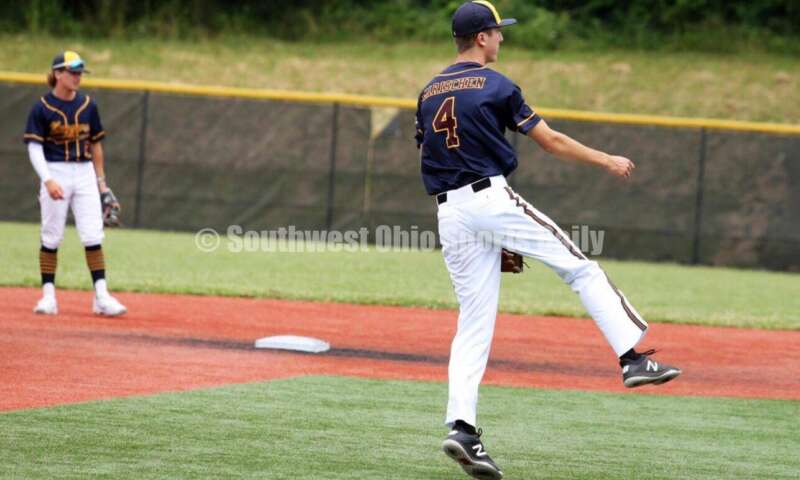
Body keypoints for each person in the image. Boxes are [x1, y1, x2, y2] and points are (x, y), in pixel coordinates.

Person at [414, 2, 681, 478]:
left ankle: (463, 429)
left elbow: (432, 148)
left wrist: (491, 236)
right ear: (480, 37)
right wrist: (606, 160)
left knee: (473, 321)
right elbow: (550, 140)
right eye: (497, 32)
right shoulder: (497, 84)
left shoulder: (429, 91)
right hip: (489, 198)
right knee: (580, 267)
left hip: (449, 213)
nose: (502, 39)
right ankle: (632, 359)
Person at [24, 50, 127, 317]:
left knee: (93, 234)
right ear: (58, 74)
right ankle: (48, 297)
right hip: (54, 169)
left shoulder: (88, 106)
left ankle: (101, 296)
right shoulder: (42, 108)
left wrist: (101, 184)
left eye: (80, 72)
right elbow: (34, 148)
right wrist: (47, 180)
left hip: (84, 174)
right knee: (51, 235)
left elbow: (96, 146)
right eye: (72, 72)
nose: (77, 77)